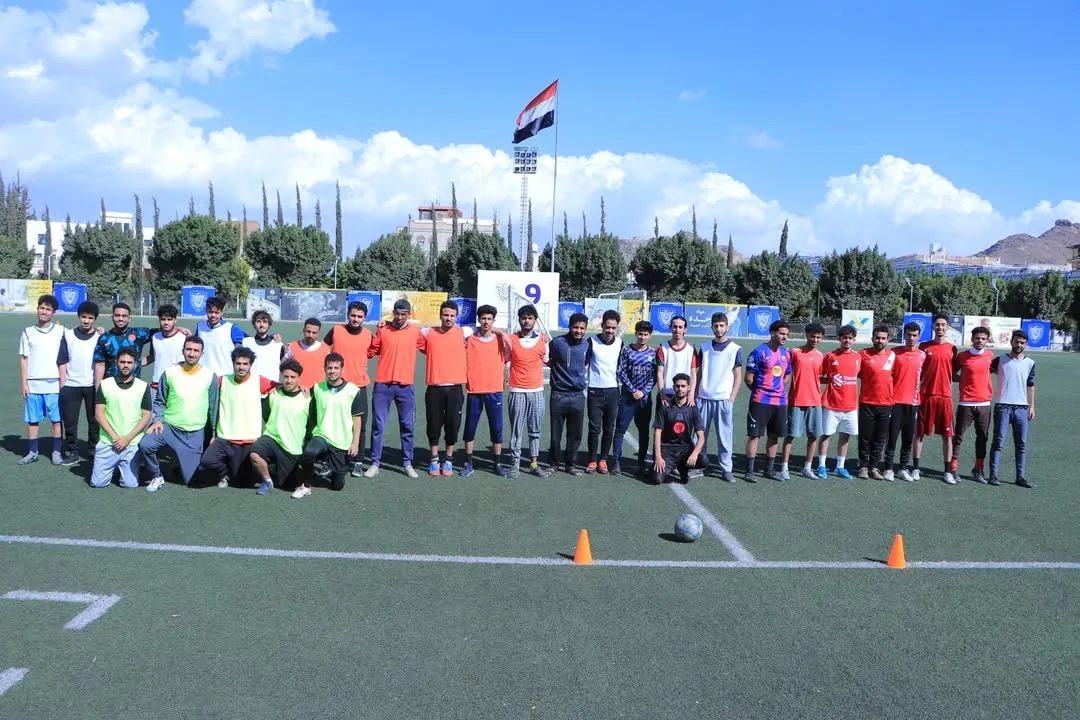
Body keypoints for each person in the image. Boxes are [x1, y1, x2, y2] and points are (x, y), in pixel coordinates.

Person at [139, 336, 219, 492]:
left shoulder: (210, 376)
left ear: (202, 354)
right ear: (183, 351)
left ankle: (178, 460)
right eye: (188, 349)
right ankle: (157, 475)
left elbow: (213, 407)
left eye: (196, 350)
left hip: (194, 432)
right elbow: (160, 401)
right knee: (146, 445)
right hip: (169, 427)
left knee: (192, 481)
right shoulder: (169, 372)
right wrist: (158, 420)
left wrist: (215, 432)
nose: (191, 353)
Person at [201, 346, 278, 488]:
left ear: (250, 365)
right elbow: (201, 382)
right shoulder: (222, 380)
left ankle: (258, 471)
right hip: (225, 437)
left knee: (242, 482)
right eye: (238, 363)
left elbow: (282, 387)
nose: (241, 367)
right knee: (207, 461)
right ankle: (224, 474)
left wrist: (301, 387)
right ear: (233, 364)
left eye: (245, 364)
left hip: (249, 438)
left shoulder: (259, 381)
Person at [364, 299, 424, 478]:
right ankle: (375, 463)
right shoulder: (383, 330)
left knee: (407, 426)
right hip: (383, 385)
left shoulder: (415, 332)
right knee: (378, 426)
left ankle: (407, 463)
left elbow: (431, 348)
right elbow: (370, 351)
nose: (399, 317)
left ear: (409, 315)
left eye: (403, 314)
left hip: (405, 387)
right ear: (393, 313)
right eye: (396, 313)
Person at [292, 353, 364, 498]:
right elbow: (300, 396)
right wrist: (298, 386)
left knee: (337, 486)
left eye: (336, 368)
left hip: (341, 441)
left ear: (342, 369)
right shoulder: (318, 388)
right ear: (324, 369)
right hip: (322, 435)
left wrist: (355, 443)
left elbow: (357, 419)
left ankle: (332, 466)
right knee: (309, 453)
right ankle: (306, 485)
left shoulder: (353, 390)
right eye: (329, 368)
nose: (332, 371)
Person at [420, 301, 471, 475]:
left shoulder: (464, 332)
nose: (448, 318)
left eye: (452, 315)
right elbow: (407, 330)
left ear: (456, 317)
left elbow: (488, 330)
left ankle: (448, 459)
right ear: (440, 315)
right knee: (433, 424)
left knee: (453, 425)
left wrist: (500, 331)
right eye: (445, 315)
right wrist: (386, 323)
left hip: (455, 388)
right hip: (434, 387)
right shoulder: (428, 332)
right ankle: (434, 459)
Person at [90, 348, 152, 488]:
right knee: (97, 483)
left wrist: (127, 439)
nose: (125, 365)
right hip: (109, 443)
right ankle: (115, 467)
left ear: (135, 364)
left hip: (131, 444)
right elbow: (99, 415)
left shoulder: (143, 386)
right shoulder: (105, 384)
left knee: (130, 484)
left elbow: (146, 415)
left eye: (129, 362)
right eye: (122, 362)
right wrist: (115, 438)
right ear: (116, 362)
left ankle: (128, 468)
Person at [323, 301, 373, 475]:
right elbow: (321, 348)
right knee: (332, 423)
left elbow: (376, 350)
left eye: (359, 316)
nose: (356, 319)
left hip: (359, 386)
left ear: (364, 318)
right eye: (353, 315)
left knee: (360, 425)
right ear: (348, 315)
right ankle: (329, 461)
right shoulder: (336, 331)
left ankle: (358, 460)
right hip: (337, 385)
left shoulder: (368, 334)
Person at [461, 304, 510, 477]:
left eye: (489, 319)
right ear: (479, 320)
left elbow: (511, 350)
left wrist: (502, 332)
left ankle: (497, 464)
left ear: (494, 320)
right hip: (474, 390)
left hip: (494, 390)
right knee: (470, 428)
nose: (486, 322)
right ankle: (468, 463)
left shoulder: (500, 340)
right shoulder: (470, 339)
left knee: (496, 429)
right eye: (483, 318)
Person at [249, 358, 310, 496]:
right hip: (272, 438)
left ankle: (273, 467)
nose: (288, 380)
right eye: (286, 377)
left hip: (292, 448)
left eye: (293, 377)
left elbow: (311, 425)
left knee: (288, 485)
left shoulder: (307, 398)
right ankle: (267, 481)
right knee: (254, 454)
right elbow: (266, 414)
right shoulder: (274, 394)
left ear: (299, 378)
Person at [18, 294, 66, 465]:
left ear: (53, 312)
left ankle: (56, 451)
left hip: (53, 384)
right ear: (38, 309)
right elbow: (24, 359)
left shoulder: (60, 331)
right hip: (33, 384)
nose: (44, 311)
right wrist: (24, 383)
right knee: (32, 420)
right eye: (42, 308)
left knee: (56, 420)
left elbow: (77, 337)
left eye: (48, 309)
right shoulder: (28, 332)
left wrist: (97, 330)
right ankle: (32, 452)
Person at [695, 312, 743, 482]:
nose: (719, 328)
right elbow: (699, 373)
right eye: (716, 325)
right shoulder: (705, 347)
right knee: (700, 435)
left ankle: (726, 468)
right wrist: (695, 395)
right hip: (703, 397)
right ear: (712, 327)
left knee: (724, 436)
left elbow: (738, 376)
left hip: (723, 399)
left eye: (722, 325)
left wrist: (731, 399)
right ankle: (699, 464)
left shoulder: (735, 349)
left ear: (727, 327)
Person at [743, 319, 792, 482]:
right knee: (754, 435)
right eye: (781, 333)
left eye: (786, 334)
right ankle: (749, 471)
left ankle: (769, 470)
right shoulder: (759, 352)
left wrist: (777, 388)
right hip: (760, 401)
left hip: (779, 402)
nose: (784, 337)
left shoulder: (786, 354)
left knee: (774, 436)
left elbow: (787, 374)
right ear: (772, 333)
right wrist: (762, 391)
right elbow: (749, 379)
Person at [505, 304, 549, 478]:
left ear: (535, 320)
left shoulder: (543, 341)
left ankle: (533, 463)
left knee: (535, 430)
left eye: (530, 318)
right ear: (519, 320)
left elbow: (550, 362)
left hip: (537, 391)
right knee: (517, 429)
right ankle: (514, 464)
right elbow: (501, 360)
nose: (527, 321)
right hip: (517, 391)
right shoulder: (511, 339)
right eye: (524, 318)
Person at [988, 330, 1035, 488]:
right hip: (1003, 406)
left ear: (1025, 344)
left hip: (1021, 408)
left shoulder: (1030, 363)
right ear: (1011, 342)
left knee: (1021, 444)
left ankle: (1020, 477)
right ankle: (993, 475)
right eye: (1016, 341)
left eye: (1022, 342)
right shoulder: (1000, 360)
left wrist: (1031, 406)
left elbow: (1031, 385)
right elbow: (983, 373)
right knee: (998, 442)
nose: (1019, 345)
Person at [915, 314, 957, 483]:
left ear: (947, 327)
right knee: (919, 434)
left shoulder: (952, 349)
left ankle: (947, 471)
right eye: (937, 325)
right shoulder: (923, 347)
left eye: (943, 325)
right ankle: (916, 468)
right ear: (933, 327)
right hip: (925, 396)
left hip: (945, 397)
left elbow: (954, 372)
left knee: (947, 436)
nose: (940, 328)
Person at [57, 300, 101, 465]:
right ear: (78, 317)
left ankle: (92, 450)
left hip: (92, 385)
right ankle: (72, 451)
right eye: (84, 317)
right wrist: (63, 385)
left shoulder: (100, 336)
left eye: (90, 317)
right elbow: (62, 361)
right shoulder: (67, 335)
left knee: (94, 421)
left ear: (95, 319)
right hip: (71, 385)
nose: (86, 320)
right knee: (70, 421)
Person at [547, 312, 590, 475]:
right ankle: (553, 463)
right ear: (569, 327)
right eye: (575, 327)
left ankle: (570, 464)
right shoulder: (557, 343)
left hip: (578, 395)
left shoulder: (587, 345)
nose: (578, 330)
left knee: (575, 434)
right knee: (556, 432)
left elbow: (587, 362)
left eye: (582, 328)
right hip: (559, 394)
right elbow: (548, 360)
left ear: (585, 329)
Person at [782, 322, 825, 480]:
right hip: (796, 401)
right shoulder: (795, 352)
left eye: (818, 337)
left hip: (815, 401)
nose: (814, 339)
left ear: (822, 338)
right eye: (812, 336)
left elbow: (822, 377)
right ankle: (784, 467)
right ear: (806, 335)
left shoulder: (821, 357)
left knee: (813, 436)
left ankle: (807, 467)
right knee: (791, 435)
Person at [613, 320, 656, 476]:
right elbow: (621, 372)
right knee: (620, 430)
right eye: (640, 334)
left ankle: (641, 462)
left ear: (650, 335)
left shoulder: (653, 353)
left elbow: (654, 376)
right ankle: (616, 462)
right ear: (635, 333)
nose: (642, 337)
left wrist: (643, 392)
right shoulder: (627, 350)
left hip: (644, 400)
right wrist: (633, 390)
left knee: (643, 432)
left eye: (645, 334)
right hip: (628, 398)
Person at [818, 325, 861, 479]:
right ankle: (821, 465)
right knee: (826, 435)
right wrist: (829, 378)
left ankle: (840, 467)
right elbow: (819, 376)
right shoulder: (830, 356)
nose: (847, 340)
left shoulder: (858, 357)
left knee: (845, 436)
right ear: (839, 339)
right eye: (844, 337)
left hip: (850, 406)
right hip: (831, 404)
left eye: (850, 338)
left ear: (854, 340)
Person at [952, 326, 994, 483]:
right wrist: (961, 381)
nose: (980, 341)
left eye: (983, 338)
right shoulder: (962, 357)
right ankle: (953, 468)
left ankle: (978, 469)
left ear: (987, 340)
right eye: (977, 338)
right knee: (958, 437)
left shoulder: (990, 356)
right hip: (966, 402)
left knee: (982, 438)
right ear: (972, 339)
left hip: (984, 404)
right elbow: (951, 372)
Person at [885, 322, 926, 481]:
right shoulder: (894, 353)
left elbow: (923, 376)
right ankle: (888, 468)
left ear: (919, 336)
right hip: (895, 402)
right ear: (904, 335)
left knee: (908, 438)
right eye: (908, 334)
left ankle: (903, 468)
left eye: (914, 335)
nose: (911, 338)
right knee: (892, 437)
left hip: (914, 403)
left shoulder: (922, 355)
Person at [93, 302, 171, 383]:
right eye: (117, 315)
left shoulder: (139, 334)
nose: (120, 319)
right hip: (111, 386)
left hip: (134, 387)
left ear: (129, 318)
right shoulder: (104, 338)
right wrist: (98, 390)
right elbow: (100, 365)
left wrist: (178, 329)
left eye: (124, 316)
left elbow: (165, 330)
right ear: (112, 317)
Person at [585, 309, 623, 473]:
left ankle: (603, 459)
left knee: (609, 428)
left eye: (613, 328)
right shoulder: (591, 342)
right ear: (602, 326)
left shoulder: (620, 343)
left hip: (613, 391)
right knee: (594, 428)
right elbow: (584, 364)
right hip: (595, 391)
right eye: (608, 327)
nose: (610, 331)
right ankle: (592, 459)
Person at [651, 373, 705, 485]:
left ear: (689, 387)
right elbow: (657, 432)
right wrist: (658, 456)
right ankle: (659, 467)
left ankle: (683, 468)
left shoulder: (693, 408)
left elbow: (701, 437)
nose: (680, 389)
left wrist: (694, 454)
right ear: (674, 387)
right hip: (667, 450)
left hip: (685, 449)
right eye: (677, 386)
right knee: (656, 479)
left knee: (704, 460)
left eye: (683, 386)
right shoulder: (665, 407)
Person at [857, 325, 895, 480]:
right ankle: (863, 467)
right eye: (877, 338)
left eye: (883, 338)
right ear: (872, 338)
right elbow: (856, 374)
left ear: (888, 340)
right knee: (865, 437)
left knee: (880, 438)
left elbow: (897, 376)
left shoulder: (892, 356)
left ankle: (874, 467)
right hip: (867, 402)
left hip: (886, 404)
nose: (880, 341)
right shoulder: (863, 354)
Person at [195, 296, 248, 378]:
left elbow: (253, 341)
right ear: (206, 311)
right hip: (203, 376)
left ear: (222, 312)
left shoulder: (231, 328)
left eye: (216, 312)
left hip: (224, 376)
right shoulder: (200, 327)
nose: (213, 315)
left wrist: (272, 337)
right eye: (210, 312)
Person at [654, 316, 697, 405]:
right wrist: (662, 394)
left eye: (680, 327)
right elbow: (659, 373)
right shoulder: (662, 348)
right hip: (666, 395)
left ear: (685, 329)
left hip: (684, 396)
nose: (677, 330)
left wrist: (691, 394)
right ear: (670, 328)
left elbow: (693, 373)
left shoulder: (691, 348)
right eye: (675, 326)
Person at [147, 304, 186, 389]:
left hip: (177, 384)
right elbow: (152, 357)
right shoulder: (154, 337)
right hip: (157, 383)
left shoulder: (184, 337)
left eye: (169, 319)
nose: (166, 322)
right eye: (163, 319)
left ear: (175, 319)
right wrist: (136, 363)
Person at [285, 318, 330, 390]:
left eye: (314, 333)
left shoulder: (326, 349)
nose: (310, 335)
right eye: (308, 332)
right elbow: (283, 368)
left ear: (318, 333)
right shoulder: (292, 347)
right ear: (303, 331)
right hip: (297, 393)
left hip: (317, 392)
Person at [242, 310, 286, 384]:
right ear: (253, 324)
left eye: (265, 322)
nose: (261, 325)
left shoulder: (278, 345)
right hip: (250, 388)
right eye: (258, 321)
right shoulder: (246, 343)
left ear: (269, 325)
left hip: (271, 389)